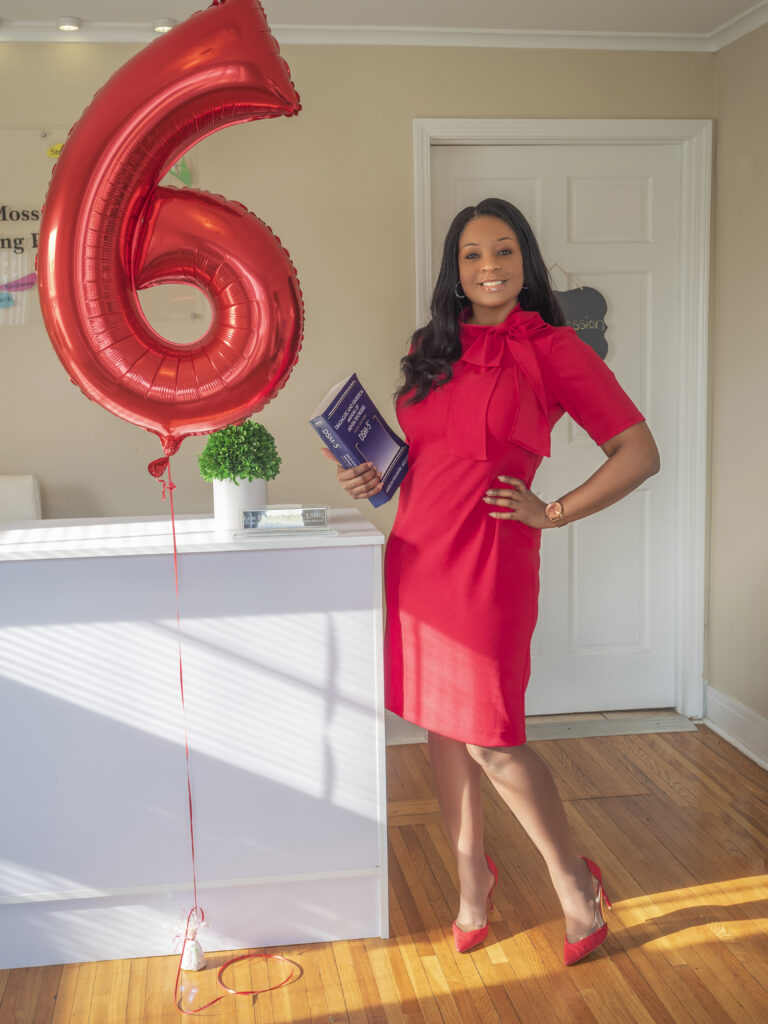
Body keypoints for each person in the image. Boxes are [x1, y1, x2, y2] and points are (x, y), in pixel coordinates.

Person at [323, 198, 660, 964]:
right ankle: (472, 884)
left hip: (489, 561)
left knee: (493, 739)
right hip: (416, 554)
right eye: (472, 255)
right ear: (455, 270)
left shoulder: (554, 349)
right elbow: (431, 454)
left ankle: (575, 883)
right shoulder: (428, 346)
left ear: (525, 261)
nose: (488, 268)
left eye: (503, 252)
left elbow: (639, 453)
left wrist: (557, 510)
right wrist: (377, 473)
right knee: (440, 729)